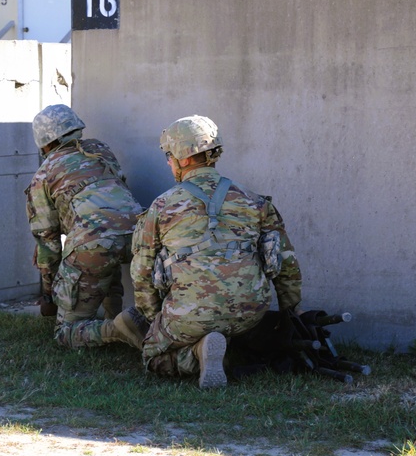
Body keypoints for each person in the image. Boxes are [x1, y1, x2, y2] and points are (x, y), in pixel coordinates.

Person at [115, 115, 302, 388]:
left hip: (189, 315)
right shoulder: (254, 200)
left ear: (184, 158)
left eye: (169, 155)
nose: (168, 162)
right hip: (250, 313)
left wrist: (155, 319)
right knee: (230, 327)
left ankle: (198, 353)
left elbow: (142, 273)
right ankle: (227, 347)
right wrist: (291, 317)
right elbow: (287, 265)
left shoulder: (162, 207)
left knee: (153, 356)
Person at [25, 104, 143, 348]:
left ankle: (116, 329)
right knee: (102, 251)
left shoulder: (44, 174)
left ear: (44, 143)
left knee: (65, 332)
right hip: (139, 233)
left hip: (94, 243)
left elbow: (47, 244)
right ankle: (122, 317)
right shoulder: (101, 150)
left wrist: (49, 293)